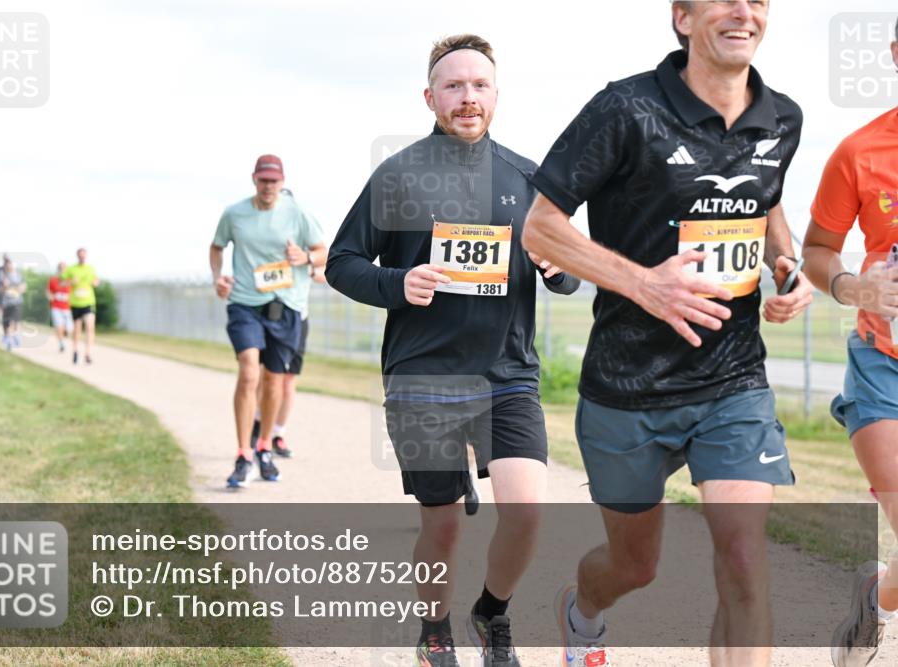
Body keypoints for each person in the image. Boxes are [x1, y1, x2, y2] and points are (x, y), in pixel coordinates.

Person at [521, 2, 813, 665]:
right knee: (633, 565)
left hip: (733, 379)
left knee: (743, 556)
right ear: (682, 18)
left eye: (758, 0)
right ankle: (582, 610)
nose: (745, 11)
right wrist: (644, 283)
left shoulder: (784, 118)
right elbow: (541, 227)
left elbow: (764, 201)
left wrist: (784, 263)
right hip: (628, 386)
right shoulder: (625, 109)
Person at [326, 34, 580, 667]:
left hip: (507, 374)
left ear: (496, 94)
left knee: (525, 513)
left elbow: (572, 267)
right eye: (454, 86)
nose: (468, 98)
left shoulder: (528, 177)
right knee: (441, 522)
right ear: (430, 96)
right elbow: (341, 263)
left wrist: (555, 270)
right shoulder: (400, 174)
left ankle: (491, 612)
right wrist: (397, 284)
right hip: (423, 376)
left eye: (480, 85)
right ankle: (434, 629)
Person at [802, 18, 898, 667]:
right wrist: (850, 289)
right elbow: (817, 250)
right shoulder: (859, 152)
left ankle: (878, 599)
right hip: (880, 371)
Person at [210, 154, 327, 488]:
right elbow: (216, 248)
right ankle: (243, 453)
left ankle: (264, 447)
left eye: (274, 181)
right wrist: (218, 277)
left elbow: (323, 251)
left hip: (285, 305)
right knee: (249, 372)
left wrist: (305, 257)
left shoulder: (298, 212)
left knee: (275, 381)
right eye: (263, 180)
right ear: (254, 180)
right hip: (245, 303)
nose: (268, 186)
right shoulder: (234, 213)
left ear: (282, 182)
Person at [63, 248, 99, 365]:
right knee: (77, 329)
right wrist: (71, 282)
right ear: (77, 256)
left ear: (86, 256)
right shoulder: (71, 269)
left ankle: (88, 353)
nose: (82, 258)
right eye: (80, 256)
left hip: (88, 302)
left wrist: (95, 282)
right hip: (75, 303)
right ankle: (75, 350)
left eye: (84, 256)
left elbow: (96, 280)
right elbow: (62, 282)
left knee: (90, 326)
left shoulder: (90, 268)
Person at [0, 257, 26, 351]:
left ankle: (11, 341)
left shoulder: (19, 275)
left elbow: (23, 287)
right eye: (7, 266)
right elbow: (0, 290)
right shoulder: (2, 276)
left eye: (11, 265)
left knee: (13, 321)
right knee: (5, 323)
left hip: (17, 302)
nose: (9, 267)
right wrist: (5, 287)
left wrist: (16, 288)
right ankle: (8, 337)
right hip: (6, 303)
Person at [47, 262, 73, 353]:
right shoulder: (53, 280)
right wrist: (50, 296)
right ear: (58, 269)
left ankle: (64, 334)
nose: (62, 270)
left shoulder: (70, 280)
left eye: (64, 268)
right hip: (56, 306)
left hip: (66, 307)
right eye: (60, 268)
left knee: (69, 329)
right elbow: (48, 291)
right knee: (59, 325)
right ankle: (61, 343)